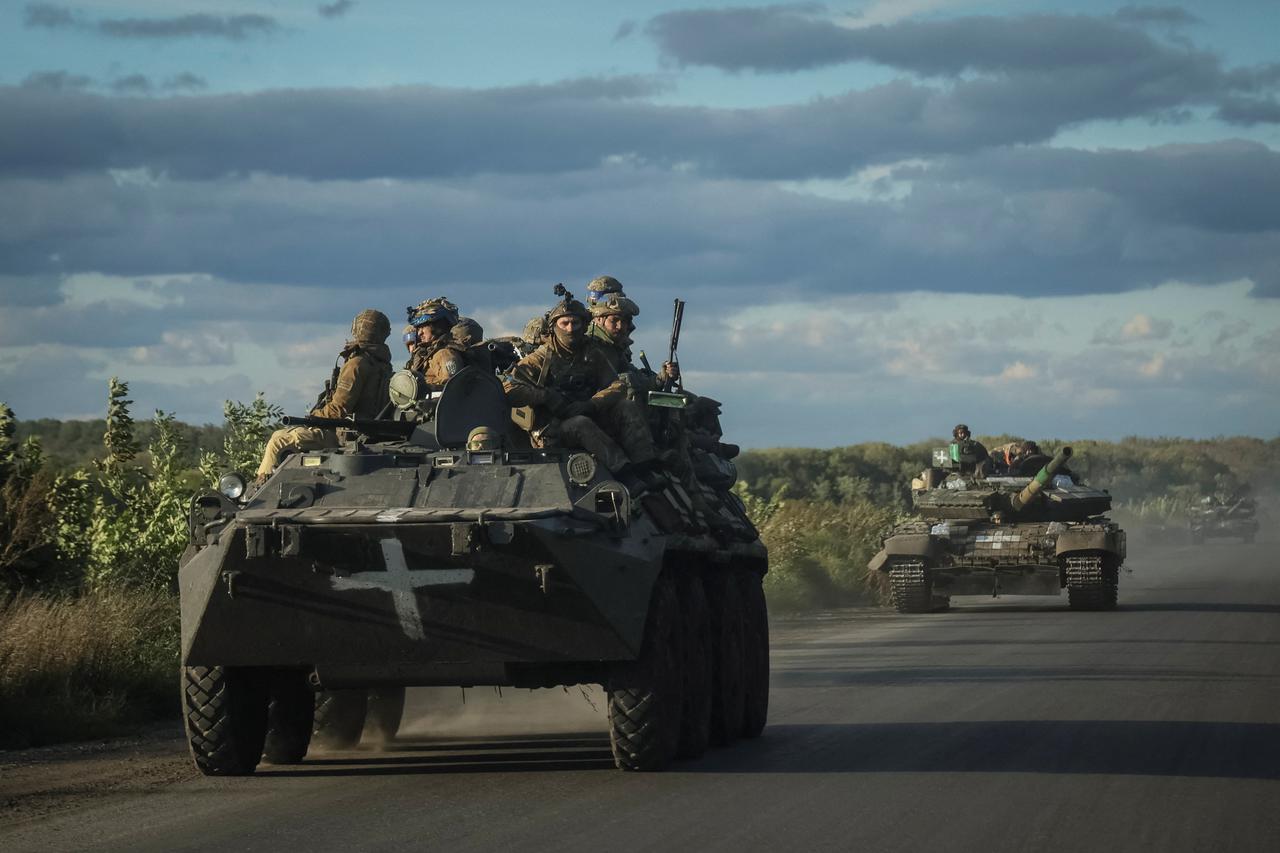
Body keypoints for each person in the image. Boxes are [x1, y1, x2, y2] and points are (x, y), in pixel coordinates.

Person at [502, 290, 660, 490]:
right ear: (554, 327)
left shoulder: (592, 353)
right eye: (564, 323)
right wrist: (546, 397)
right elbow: (508, 387)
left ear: (584, 325)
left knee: (625, 407)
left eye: (575, 323)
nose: (570, 329)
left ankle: (644, 468)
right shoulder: (541, 357)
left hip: (588, 413)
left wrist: (592, 404)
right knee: (580, 424)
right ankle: (624, 473)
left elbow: (617, 386)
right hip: (552, 429)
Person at [255, 309, 393, 482]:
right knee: (278, 435)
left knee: (278, 441)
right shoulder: (382, 364)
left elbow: (338, 409)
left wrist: (313, 418)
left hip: (343, 435)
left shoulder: (357, 364)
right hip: (362, 432)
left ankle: (260, 487)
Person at [406, 297, 467, 387]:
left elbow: (452, 388)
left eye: (423, 327)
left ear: (437, 326)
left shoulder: (445, 354)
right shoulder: (426, 353)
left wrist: (425, 390)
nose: (419, 333)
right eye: (418, 328)